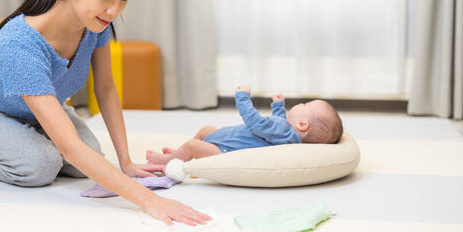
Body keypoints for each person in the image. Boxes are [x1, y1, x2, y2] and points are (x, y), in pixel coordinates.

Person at [0, 0, 211, 227]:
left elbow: (106, 89)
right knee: (40, 167)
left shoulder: (95, 25)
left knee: (86, 162)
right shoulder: (19, 44)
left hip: (39, 113)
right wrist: (150, 201)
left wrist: (126, 163)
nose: (114, 11)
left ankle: (21, 144)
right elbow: (70, 146)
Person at [146, 85, 343, 165]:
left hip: (224, 150)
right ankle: (182, 156)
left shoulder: (284, 131)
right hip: (223, 140)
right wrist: (278, 106)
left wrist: (242, 97)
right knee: (206, 131)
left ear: (302, 124)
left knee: (193, 144)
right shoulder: (288, 134)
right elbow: (279, 123)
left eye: (305, 105)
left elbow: (256, 122)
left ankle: (170, 160)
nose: (300, 104)